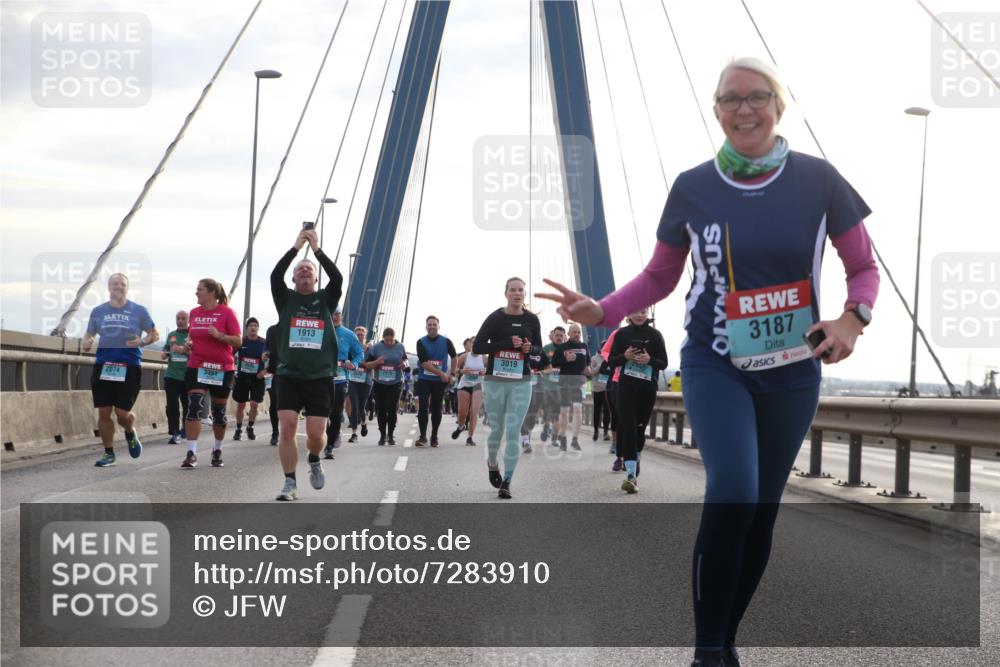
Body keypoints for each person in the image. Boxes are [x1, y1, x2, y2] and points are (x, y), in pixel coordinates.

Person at [537, 56, 879, 667]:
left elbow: (862, 266)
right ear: (716, 110)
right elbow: (661, 276)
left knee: (762, 515)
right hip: (714, 362)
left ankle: (724, 634)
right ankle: (709, 651)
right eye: (730, 100)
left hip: (794, 369)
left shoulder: (820, 179)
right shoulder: (693, 186)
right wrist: (603, 310)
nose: (744, 109)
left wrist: (853, 318)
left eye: (756, 97)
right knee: (733, 492)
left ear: (779, 104)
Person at [271, 228, 343, 500]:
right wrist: (295, 248)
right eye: (299, 269)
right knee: (287, 426)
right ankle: (289, 483)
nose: (303, 271)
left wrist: (317, 251)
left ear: (315, 278)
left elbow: (337, 277)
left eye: (308, 269)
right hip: (289, 374)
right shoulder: (285, 299)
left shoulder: (325, 299)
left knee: (316, 434)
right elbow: (275, 275)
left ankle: (314, 458)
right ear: (293, 277)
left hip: (320, 376)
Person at [473, 277, 542, 499]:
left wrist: (529, 348)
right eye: (513, 290)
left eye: (520, 290)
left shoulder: (532, 320)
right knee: (497, 429)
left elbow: (539, 351)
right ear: (506, 293)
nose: (517, 293)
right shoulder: (495, 318)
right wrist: (505, 345)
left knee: (514, 430)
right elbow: (478, 346)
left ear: (524, 294)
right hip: (495, 381)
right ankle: (492, 464)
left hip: (521, 381)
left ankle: (507, 481)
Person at [84, 273, 158, 467]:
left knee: (122, 414)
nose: (118, 287)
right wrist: (87, 340)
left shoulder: (139, 310)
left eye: (122, 284)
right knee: (104, 412)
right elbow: (89, 332)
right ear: (109, 287)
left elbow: (154, 334)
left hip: (129, 366)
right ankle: (109, 453)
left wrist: (141, 341)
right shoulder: (98, 311)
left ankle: (130, 431)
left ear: (127, 287)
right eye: (114, 284)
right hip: (104, 365)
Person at [606, 308, 668, 494]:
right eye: (636, 311)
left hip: (647, 389)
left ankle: (637, 457)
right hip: (625, 388)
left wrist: (649, 360)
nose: (640, 315)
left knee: (640, 429)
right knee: (629, 428)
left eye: (643, 311)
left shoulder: (655, 335)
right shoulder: (622, 334)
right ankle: (631, 476)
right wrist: (625, 357)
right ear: (629, 314)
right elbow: (611, 361)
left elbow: (663, 363)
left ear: (648, 313)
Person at [181, 278, 241, 469]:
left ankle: (217, 450)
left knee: (218, 412)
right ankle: (191, 453)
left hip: (221, 368)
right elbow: (192, 337)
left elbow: (238, 341)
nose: (196, 293)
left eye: (199, 289)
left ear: (212, 293)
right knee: (195, 407)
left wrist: (220, 336)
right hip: (197, 365)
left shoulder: (227, 313)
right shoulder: (194, 313)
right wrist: (188, 345)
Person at [326, 306, 364, 458]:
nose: (334, 317)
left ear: (341, 315)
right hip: (321, 378)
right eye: (331, 314)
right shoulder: (321, 331)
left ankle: (329, 445)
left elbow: (359, 353)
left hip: (340, 378)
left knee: (335, 413)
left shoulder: (348, 335)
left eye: (337, 314)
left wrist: (354, 364)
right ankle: (331, 433)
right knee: (322, 413)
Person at [414, 315, 457, 447]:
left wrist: (453, 374)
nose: (432, 326)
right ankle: (422, 436)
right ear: (426, 327)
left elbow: (454, 357)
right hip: (424, 379)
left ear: (439, 326)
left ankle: (434, 436)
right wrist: (442, 374)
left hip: (439, 381)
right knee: (423, 407)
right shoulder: (420, 342)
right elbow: (425, 364)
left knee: (436, 408)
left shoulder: (446, 341)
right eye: (429, 324)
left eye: (434, 324)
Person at [549, 323, 591, 451]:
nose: (577, 334)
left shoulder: (584, 346)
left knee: (578, 410)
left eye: (578, 332)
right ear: (569, 333)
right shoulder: (562, 347)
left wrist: (588, 369)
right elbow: (554, 363)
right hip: (565, 381)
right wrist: (566, 360)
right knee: (565, 412)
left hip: (579, 382)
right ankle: (562, 437)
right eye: (574, 332)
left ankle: (575, 439)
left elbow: (587, 361)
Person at [363, 327, 407, 446]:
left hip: (396, 382)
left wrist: (404, 364)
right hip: (379, 382)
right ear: (383, 338)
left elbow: (406, 361)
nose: (389, 343)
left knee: (392, 408)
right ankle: (382, 436)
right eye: (387, 341)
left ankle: (391, 435)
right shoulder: (376, 348)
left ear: (394, 338)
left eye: (391, 341)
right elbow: (367, 364)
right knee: (381, 409)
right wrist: (377, 362)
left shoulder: (400, 347)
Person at [232, 317, 268, 442]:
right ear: (247, 328)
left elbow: (273, 359)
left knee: (254, 404)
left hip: (257, 378)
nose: (253, 328)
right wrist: (232, 373)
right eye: (250, 326)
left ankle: (250, 426)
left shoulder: (264, 342)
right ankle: (238, 429)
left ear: (258, 328)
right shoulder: (241, 341)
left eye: (255, 325)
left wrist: (264, 371)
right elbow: (228, 355)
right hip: (242, 377)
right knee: (241, 405)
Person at [160, 310, 189, 444]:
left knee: (187, 405)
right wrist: (165, 354)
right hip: (171, 375)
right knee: (171, 405)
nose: (180, 321)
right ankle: (174, 432)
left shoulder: (192, 335)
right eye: (178, 318)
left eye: (183, 318)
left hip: (188, 375)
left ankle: (185, 429)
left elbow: (198, 353)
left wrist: (184, 351)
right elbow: (167, 348)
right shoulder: (172, 335)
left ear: (188, 320)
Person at [452, 337, 486, 446]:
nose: (476, 345)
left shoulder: (484, 358)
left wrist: (484, 372)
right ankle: (460, 427)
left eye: (478, 343)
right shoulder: (464, 356)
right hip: (465, 384)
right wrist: (462, 371)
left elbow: (491, 371)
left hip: (478, 385)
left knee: (473, 411)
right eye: (473, 343)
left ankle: (470, 437)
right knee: (462, 412)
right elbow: (454, 370)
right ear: (471, 344)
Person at [519, 342, 550, 452]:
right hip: (521, 384)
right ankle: (526, 440)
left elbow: (549, 367)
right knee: (522, 413)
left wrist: (542, 371)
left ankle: (526, 438)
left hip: (538, 386)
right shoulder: (519, 349)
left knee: (532, 414)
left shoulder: (540, 351)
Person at [347, 325, 372, 442]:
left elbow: (374, 364)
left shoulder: (370, 349)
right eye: (357, 334)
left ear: (365, 336)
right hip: (353, 381)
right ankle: (354, 434)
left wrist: (363, 364)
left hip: (366, 382)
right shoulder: (350, 348)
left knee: (361, 407)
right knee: (355, 406)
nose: (360, 336)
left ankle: (363, 423)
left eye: (362, 334)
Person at [589, 340, 611, 442]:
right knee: (597, 410)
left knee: (607, 410)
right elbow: (591, 372)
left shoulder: (610, 357)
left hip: (607, 388)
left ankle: (606, 432)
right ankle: (596, 431)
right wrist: (601, 365)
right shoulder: (594, 358)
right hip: (597, 388)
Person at [264, 322, 281, 446]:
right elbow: (266, 347)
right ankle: (275, 432)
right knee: (274, 403)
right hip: (276, 373)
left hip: (295, 373)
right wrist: (265, 354)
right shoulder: (272, 330)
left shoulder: (296, 327)